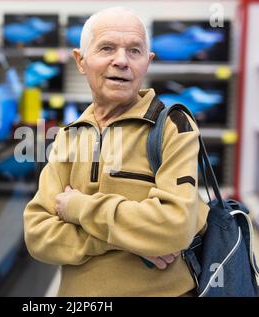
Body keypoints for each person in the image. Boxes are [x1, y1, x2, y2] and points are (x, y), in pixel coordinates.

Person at [23, 6, 209, 297]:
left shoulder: (174, 126)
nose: (121, 61)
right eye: (107, 48)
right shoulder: (68, 137)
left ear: (147, 62)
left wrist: (78, 208)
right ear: (81, 61)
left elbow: (174, 229)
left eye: (134, 51)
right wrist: (132, 239)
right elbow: (38, 236)